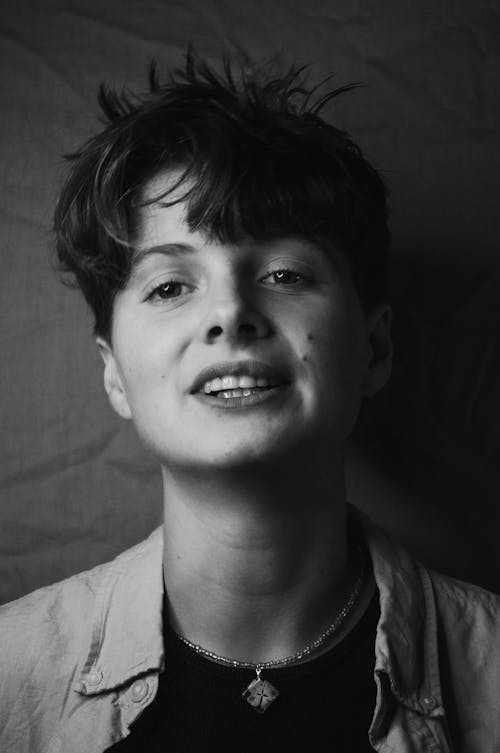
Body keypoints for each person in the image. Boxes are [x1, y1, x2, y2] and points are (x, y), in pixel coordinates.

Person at [1, 50, 499, 753]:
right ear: (114, 375)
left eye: (284, 272)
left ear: (375, 350)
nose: (231, 313)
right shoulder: (10, 676)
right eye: (171, 285)